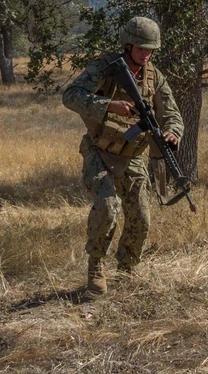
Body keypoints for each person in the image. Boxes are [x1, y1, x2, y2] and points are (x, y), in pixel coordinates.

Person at [63, 17, 185, 294]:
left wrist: (172, 133)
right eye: (141, 48)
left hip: (133, 155)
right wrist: (108, 106)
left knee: (141, 217)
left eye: (151, 49)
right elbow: (70, 96)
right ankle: (96, 266)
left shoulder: (154, 76)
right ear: (128, 45)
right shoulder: (105, 69)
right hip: (100, 151)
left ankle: (129, 269)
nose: (146, 54)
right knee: (107, 207)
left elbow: (171, 113)